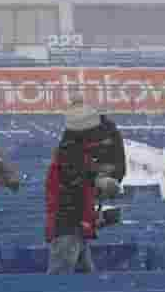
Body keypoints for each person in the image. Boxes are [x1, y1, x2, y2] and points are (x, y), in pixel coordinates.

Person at [44, 99, 124, 274]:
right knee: (60, 283)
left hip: (77, 232)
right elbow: (70, 190)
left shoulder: (82, 156)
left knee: (82, 283)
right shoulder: (70, 151)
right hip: (67, 231)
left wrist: (99, 218)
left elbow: (79, 196)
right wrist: (99, 182)